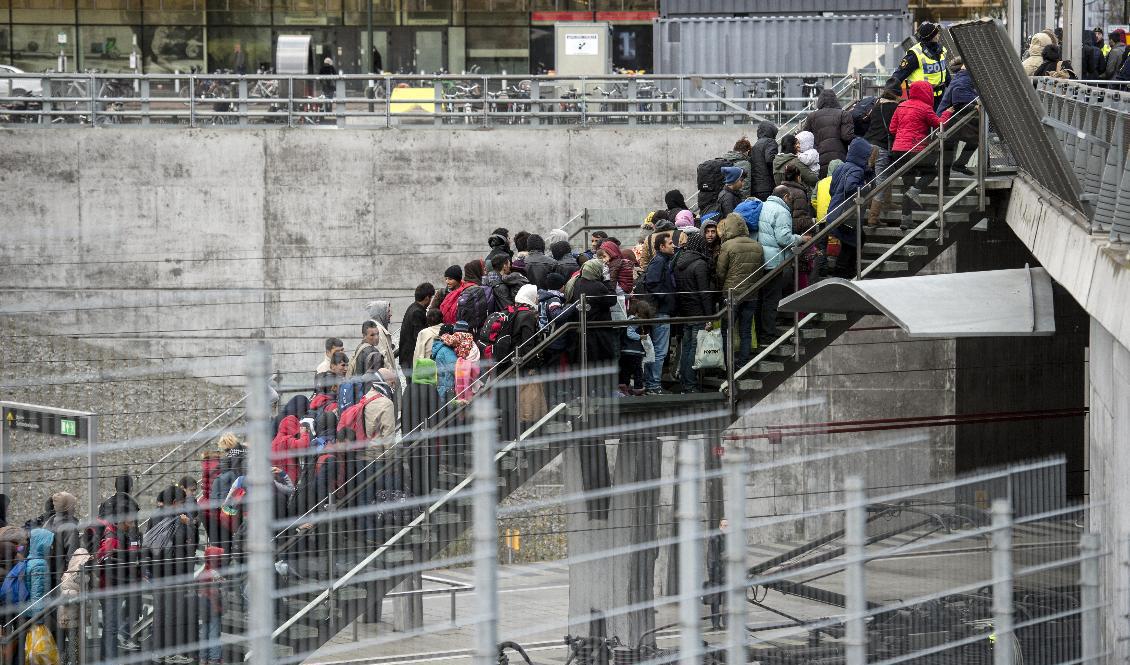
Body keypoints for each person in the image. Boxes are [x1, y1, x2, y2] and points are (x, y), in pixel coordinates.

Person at [756, 187, 807, 347]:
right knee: (771, 300)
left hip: (761, 258)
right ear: (785, 196)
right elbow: (784, 238)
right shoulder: (782, 211)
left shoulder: (764, 205)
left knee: (762, 299)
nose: (791, 202)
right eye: (790, 199)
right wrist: (800, 239)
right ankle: (768, 335)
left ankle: (760, 334)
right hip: (774, 261)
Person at [888, 80, 942, 230]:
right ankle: (914, 191)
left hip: (898, 151)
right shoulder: (925, 108)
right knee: (931, 172)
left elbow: (892, 129)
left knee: (907, 183)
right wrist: (948, 112)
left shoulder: (901, 106)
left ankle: (905, 220)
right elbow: (939, 124)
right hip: (915, 149)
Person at [716, 208, 763, 366]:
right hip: (752, 294)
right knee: (745, 330)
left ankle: (727, 362)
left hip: (732, 294)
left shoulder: (727, 246)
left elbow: (720, 272)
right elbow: (760, 269)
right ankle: (743, 362)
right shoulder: (757, 245)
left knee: (726, 330)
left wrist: (721, 288)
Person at [673, 233, 714, 394]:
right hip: (698, 312)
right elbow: (704, 293)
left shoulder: (679, 262)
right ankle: (690, 384)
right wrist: (709, 316)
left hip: (685, 311)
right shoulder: (700, 264)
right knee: (693, 350)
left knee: (687, 347)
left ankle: (684, 382)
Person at [828, 138, 874, 275]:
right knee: (852, 242)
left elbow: (832, 189)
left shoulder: (841, 167)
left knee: (858, 239)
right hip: (846, 216)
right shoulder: (857, 170)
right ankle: (843, 272)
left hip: (835, 212)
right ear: (862, 154)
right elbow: (850, 187)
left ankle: (849, 270)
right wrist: (866, 188)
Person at [639, 232, 676, 394]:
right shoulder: (660, 261)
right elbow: (652, 283)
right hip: (660, 311)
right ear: (661, 247)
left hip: (658, 310)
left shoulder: (662, 261)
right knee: (660, 350)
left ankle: (651, 384)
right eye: (670, 243)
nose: (673, 245)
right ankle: (654, 385)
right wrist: (666, 298)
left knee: (655, 350)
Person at [863, 84, 902, 226]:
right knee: (881, 180)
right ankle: (873, 217)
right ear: (897, 95)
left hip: (868, 145)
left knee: (880, 176)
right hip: (882, 146)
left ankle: (887, 202)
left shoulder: (876, 106)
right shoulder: (895, 108)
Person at [888, 21, 949, 107]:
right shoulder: (915, 54)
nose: (939, 34)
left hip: (940, 96)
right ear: (932, 36)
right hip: (921, 98)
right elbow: (898, 75)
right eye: (937, 33)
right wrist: (889, 96)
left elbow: (944, 71)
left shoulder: (941, 50)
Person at [937, 57, 980, 177]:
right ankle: (958, 166)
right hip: (948, 121)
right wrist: (974, 107)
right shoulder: (965, 79)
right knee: (947, 155)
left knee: (947, 155)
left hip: (949, 120)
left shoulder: (961, 77)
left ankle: (945, 184)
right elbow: (959, 102)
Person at [570, 260, 617, 370]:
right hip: (598, 331)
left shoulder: (576, 282)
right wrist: (607, 281)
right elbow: (612, 300)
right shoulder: (598, 286)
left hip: (580, 330)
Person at [801, 90, 855, 177]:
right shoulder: (844, 114)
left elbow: (805, 138)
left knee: (822, 184)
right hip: (839, 156)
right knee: (838, 184)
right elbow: (847, 137)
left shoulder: (812, 116)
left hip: (819, 158)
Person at [58, 537, 91, 665]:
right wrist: (76, 595)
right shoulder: (69, 575)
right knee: (74, 644)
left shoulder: (84, 575)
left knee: (75, 643)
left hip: (76, 616)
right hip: (69, 617)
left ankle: (67, 661)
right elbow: (64, 593)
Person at [196, 546, 224, 665]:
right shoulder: (215, 572)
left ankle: (203, 657)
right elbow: (217, 590)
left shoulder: (205, 570)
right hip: (213, 604)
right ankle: (214, 658)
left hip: (203, 603)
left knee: (205, 630)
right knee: (214, 632)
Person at [400, 283, 434, 372]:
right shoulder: (417, 312)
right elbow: (420, 337)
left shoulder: (413, 307)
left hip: (406, 359)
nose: (431, 301)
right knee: (414, 386)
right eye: (431, 298)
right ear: (427, 298)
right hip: (411, 360)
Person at [706, 519, 727, 630]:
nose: (726, 527)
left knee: (726, 598)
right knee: (716, 600)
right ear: (720, 526)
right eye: (724, 525)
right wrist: (711, 573)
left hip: (726, 573)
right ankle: (715, 624)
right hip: (716, 573)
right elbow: (710, 557)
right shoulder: (715, 537)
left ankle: (725, 623)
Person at [749, 122, 779, 200]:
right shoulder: (770, 142)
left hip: (755, 187)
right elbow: (770, 160)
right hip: (767, 187)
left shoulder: (756, 145)